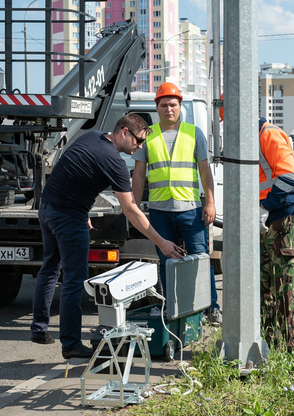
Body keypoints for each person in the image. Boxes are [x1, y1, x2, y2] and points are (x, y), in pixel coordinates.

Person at [30, 113, 183, 359]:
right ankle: (70, 343)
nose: (139, 147)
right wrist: (161, 242)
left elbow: (72, 170)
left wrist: (82, 208)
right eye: (138, 141)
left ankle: (39, 329)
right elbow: (131, 210)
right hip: (68, 217)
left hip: (48, 208)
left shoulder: (92, 136)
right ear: (124, 132)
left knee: (50, 268)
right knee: (73, 279)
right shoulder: (114, 161)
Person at [131, 82, 222, 325]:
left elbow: (205, 171)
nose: (168, 109)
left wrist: (210, 202)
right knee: (167, 263)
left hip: (191, 210)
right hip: (160, 213)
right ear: (156, 108)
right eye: (163, 105)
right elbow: (139, 174)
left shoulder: (194, 133)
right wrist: (135, 205)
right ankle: (173, 308)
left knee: (201, 259)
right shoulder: (147, 136)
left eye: (173, 105)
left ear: (180, 107)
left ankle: (211, 308)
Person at [257, 116, 294, 358]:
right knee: (266, 286)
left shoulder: (267, 134)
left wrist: (264, 206)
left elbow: (289, 178)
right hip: (270, 217)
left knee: (287, 287)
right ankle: (269, 346)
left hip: (285, 216)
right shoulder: (249, 138)